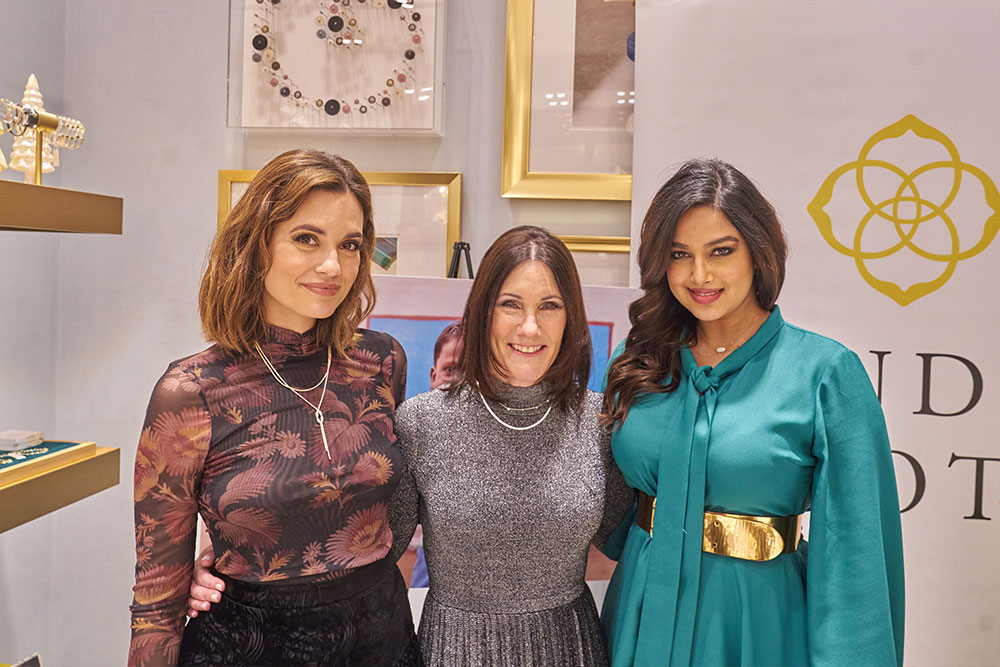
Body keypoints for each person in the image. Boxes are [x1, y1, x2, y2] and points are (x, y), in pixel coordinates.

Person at [599, 159, 905, 666]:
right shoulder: (638, 359)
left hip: (757, 624)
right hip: (640, 609)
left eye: (721, 251)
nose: (700, 275)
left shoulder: (825, 373)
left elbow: (856, 558)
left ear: (758, 251)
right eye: (680, 255)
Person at [129, 149, 420, 667]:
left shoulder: (380, 361)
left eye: (350, 245)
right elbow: (156, 599)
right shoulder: (191, 391)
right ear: (256, 244)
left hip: (383, 637)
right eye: (307, 238)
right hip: (252, 646)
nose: (332, 266)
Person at [409, 321, 465, 588]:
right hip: (431, 577)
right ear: (433, 376)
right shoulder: (415, 434)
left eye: (472, 372)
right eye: (450, 370)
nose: (460, 383)